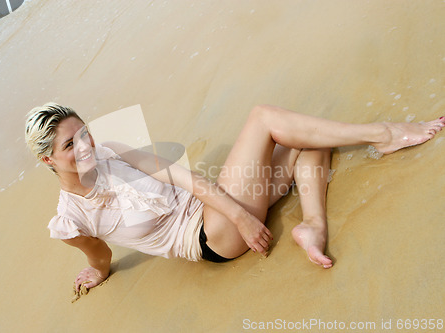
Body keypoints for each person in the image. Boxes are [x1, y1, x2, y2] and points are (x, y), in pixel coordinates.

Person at [25, 103, 445, 293]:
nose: (86, 146)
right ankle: (384, 133)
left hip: (221, 206)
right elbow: (97, 255)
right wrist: (97, 273)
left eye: (84, 133)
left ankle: (312, 226)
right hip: (212, 238)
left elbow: (181, 177)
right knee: (265, 119)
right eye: (70, 145)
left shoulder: (111, 149)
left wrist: (240, 214)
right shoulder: (69, 220)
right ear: (48, 159)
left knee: (306, 136)